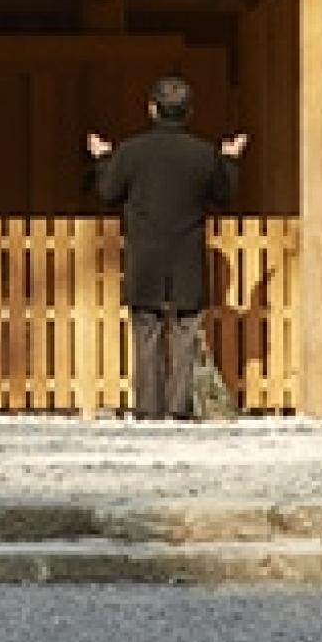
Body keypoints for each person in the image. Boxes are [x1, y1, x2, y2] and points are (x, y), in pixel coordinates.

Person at [88, 76, 247, 420]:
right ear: (188, 112)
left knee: (146, 333)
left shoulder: (131, 152)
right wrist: (230, 160)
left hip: (145, 256)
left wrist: (103, 158)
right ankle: (178, 408)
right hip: (187, 255)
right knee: (185, 333)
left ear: (152, 109)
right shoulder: (203, 154)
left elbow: (108, 193)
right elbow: (224, 195)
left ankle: (148, 408)